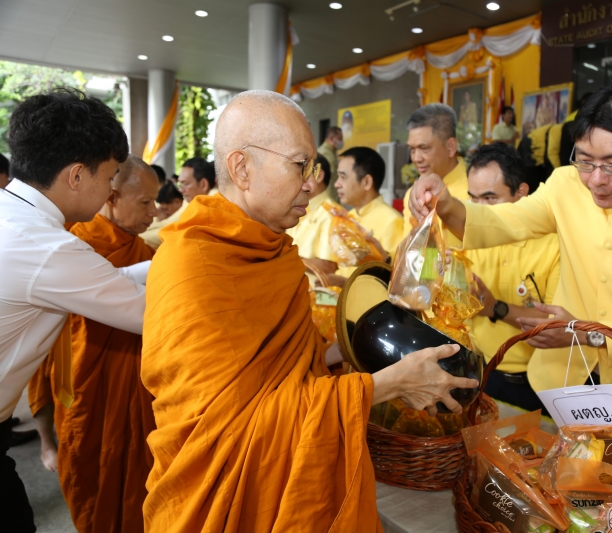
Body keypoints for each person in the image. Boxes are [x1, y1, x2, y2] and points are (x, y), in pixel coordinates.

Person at [139, 90, 478, 532]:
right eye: (300, 165)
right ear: (241, 168)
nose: (311, 183)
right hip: (225, 496)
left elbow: (290, 370)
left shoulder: (275, 251)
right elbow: (230, 428)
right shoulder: (193, 265)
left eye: (314, 167)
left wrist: (351, 347)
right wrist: (390, 384)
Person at [408, 86, 612, 449]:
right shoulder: (566, 185)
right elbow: (505, 221)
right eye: (585, 160)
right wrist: (447, 204)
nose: (596, 179)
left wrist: (586, 333)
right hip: (563, 384)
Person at [0, 88, 149, 532]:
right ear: (78, 175)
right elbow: (150, 314)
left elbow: (105, 281)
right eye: (110, 176)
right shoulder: (46, 246)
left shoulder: (16, 216)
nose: (109, 191)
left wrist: (168, 262)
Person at [54, 155, 159, 533]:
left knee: (140, 470)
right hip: (90, 377)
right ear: (112, 197)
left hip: (139, 380)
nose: (154, 212)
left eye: (155, 202)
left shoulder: (143, 250)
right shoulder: (77, 244)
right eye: (145, 202)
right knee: (94, 464)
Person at [464, 144, 560, 412]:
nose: (479, 210)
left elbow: (555, 323)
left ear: (522, 192)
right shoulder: (468, 237)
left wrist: (496, 308)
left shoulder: (554, 245)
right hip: (479, 374)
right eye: (473, 199)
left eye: (490, 198)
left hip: (536, 385)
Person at [402, 104, 470, 235]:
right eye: (412, 149)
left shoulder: (476, 190)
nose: (416, 158)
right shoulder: (414, 193)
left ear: (450, 147)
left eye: (424, 148)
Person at [335, 146, 403, 270]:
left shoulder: (392, 221)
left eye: (343, 177)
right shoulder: (348, 217)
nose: (336, 184)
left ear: (366, 182)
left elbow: (392, 274)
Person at [140, 157, 217, 249]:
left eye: (185, 183)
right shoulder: (190, 201)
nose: (180, 190)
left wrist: (137, 238)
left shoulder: (211, 201)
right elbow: (168, 224)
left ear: (203, 184)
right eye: (180, 184)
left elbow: (175, 231)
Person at [285, 155, 340, 279]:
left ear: (318, 176)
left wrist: (283, 259)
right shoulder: (296, 208)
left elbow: (328, 266)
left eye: (301, 173)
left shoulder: (332, 214)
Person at [318, 125, 343, 200]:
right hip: (329, 198)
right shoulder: (326, 153)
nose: (341, 142)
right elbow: (328, 180)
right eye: (340, 139)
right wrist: (330, 200)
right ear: (331, 138)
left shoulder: (330, 152)